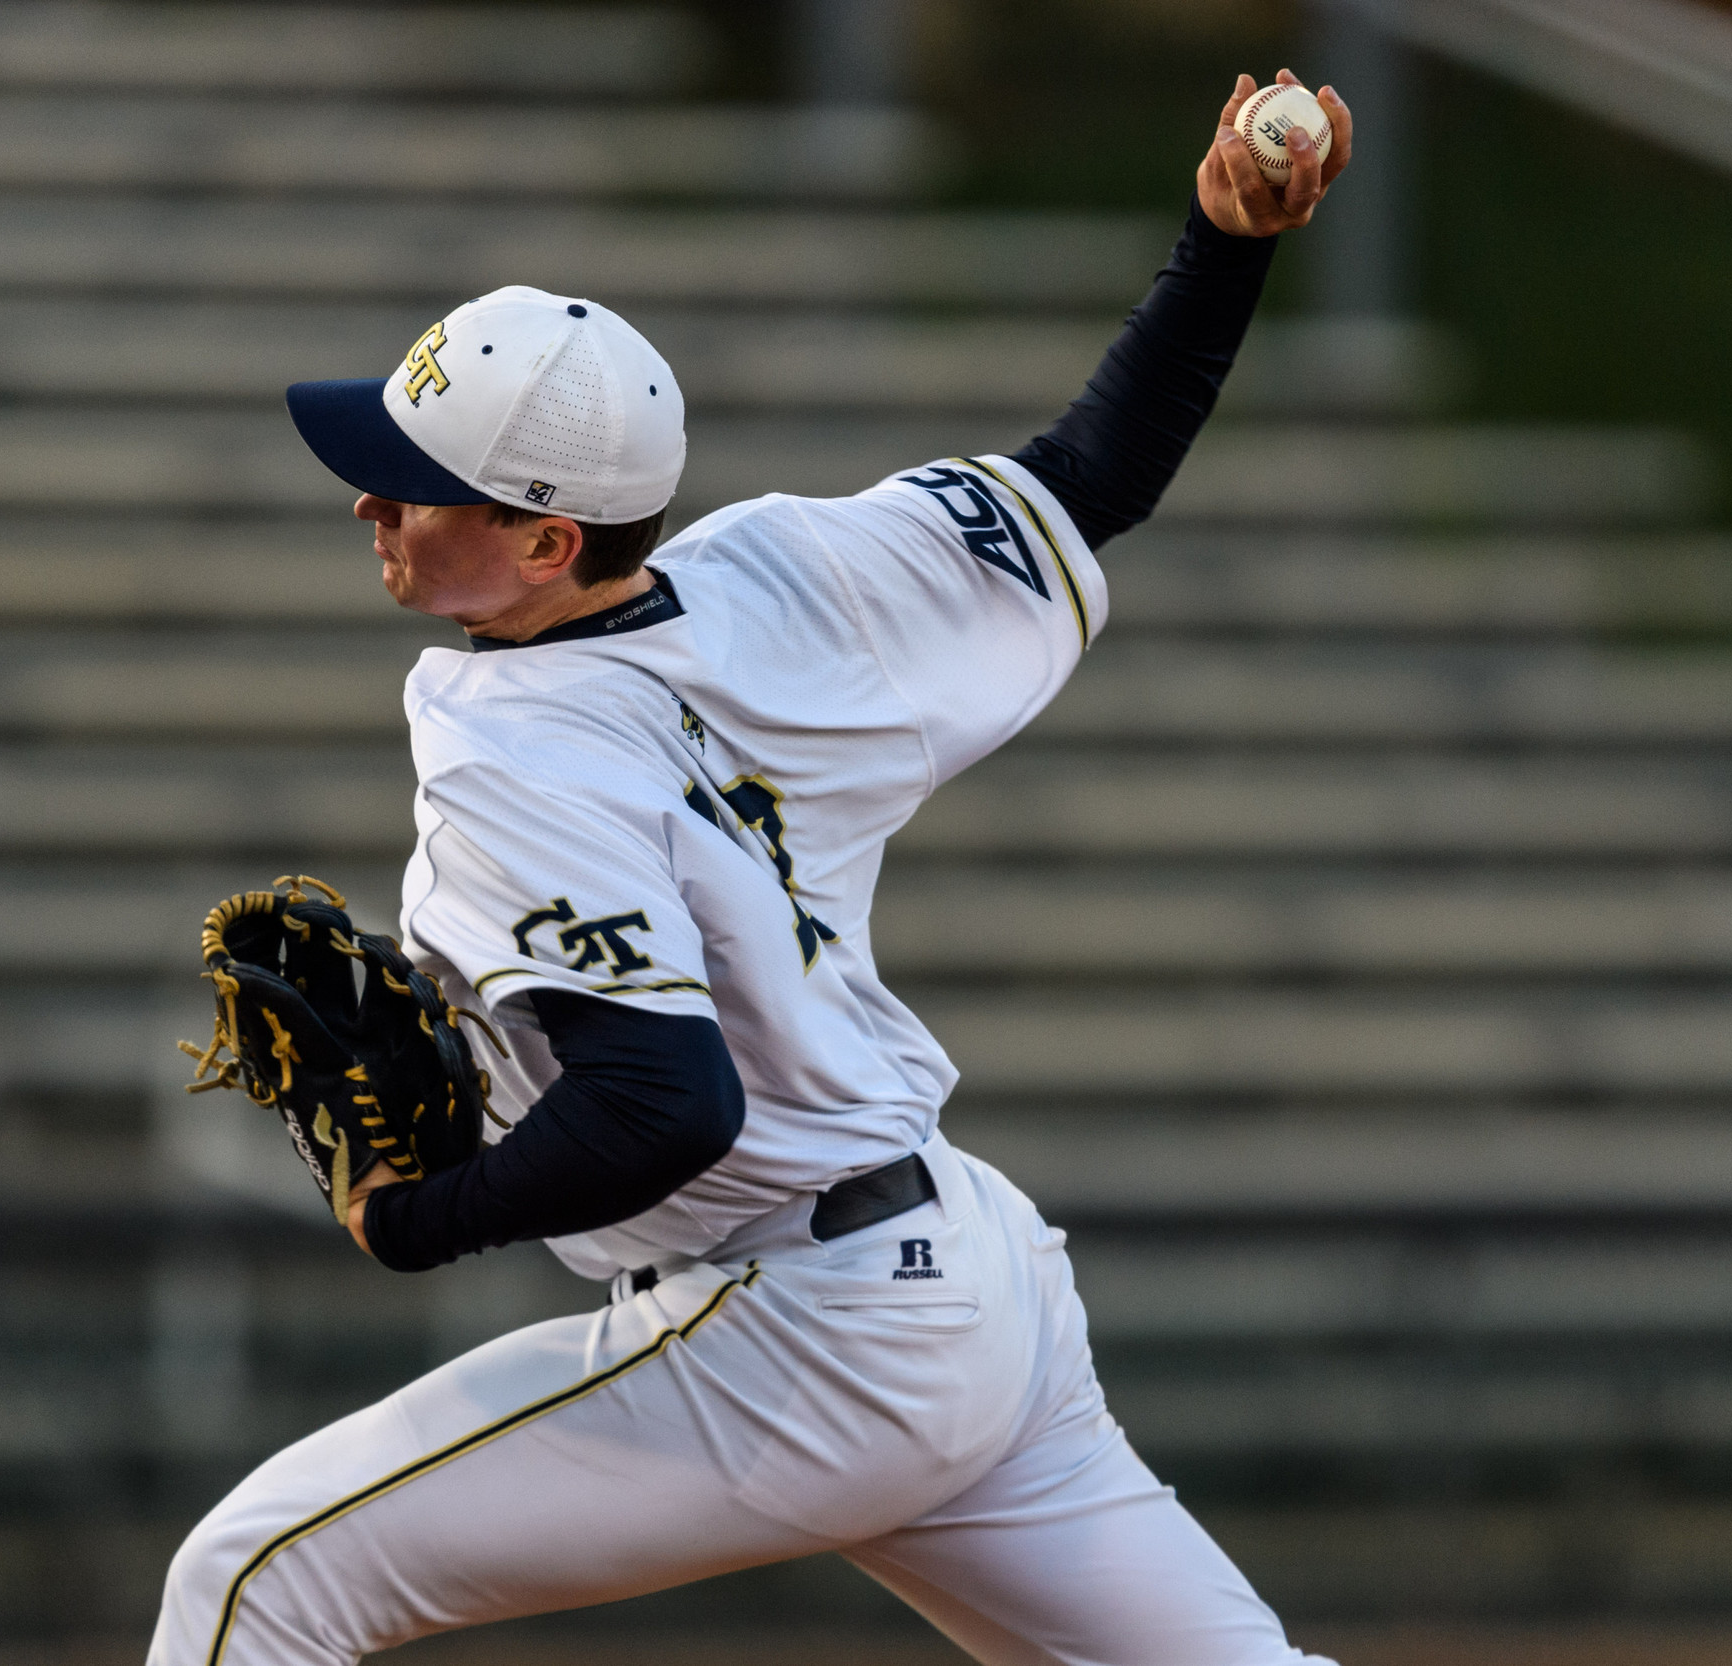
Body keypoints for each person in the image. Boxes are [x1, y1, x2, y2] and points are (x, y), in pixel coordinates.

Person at [152, 73, 1351, 1666]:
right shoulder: (778, 569)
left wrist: (416, 1216)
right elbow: (1090, 479)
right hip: (966, 1284)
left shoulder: (519, 737)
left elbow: (663, 1103)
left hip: (809, 1327)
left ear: (545, 542)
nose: (370, 496)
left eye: (415, 476)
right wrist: (1220, 242)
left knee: (257, 1581)